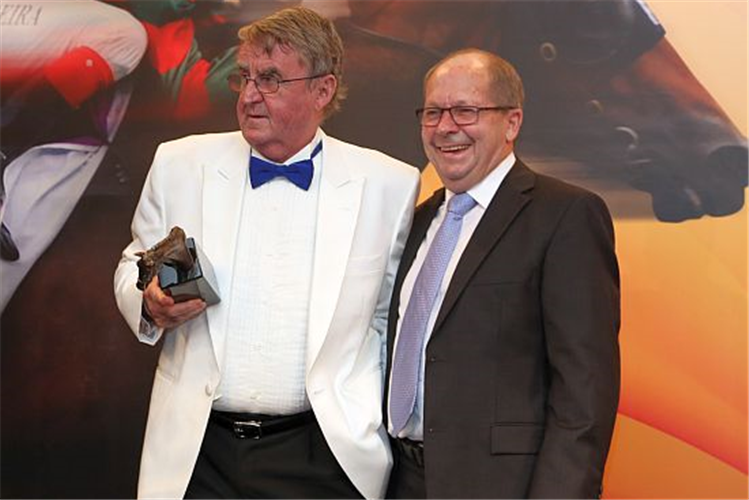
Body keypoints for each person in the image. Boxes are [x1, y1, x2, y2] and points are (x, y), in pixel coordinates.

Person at [113, 6, 420, 500]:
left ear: (323, 89)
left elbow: (391, 322)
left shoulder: (391, 184)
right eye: (245, 77)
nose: (250, 95)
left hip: (326, 457)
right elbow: (133, 263)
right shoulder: (179, 163)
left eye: (272, 79)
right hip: (198, 454)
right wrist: (148, 303)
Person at [385, 49, 620, 499]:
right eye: (433, 112)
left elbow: (585, 393)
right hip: (400, 480)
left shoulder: (566, 215)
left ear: (511, 123)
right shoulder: (415, 221)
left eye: (466, 111)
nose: (445, 126)